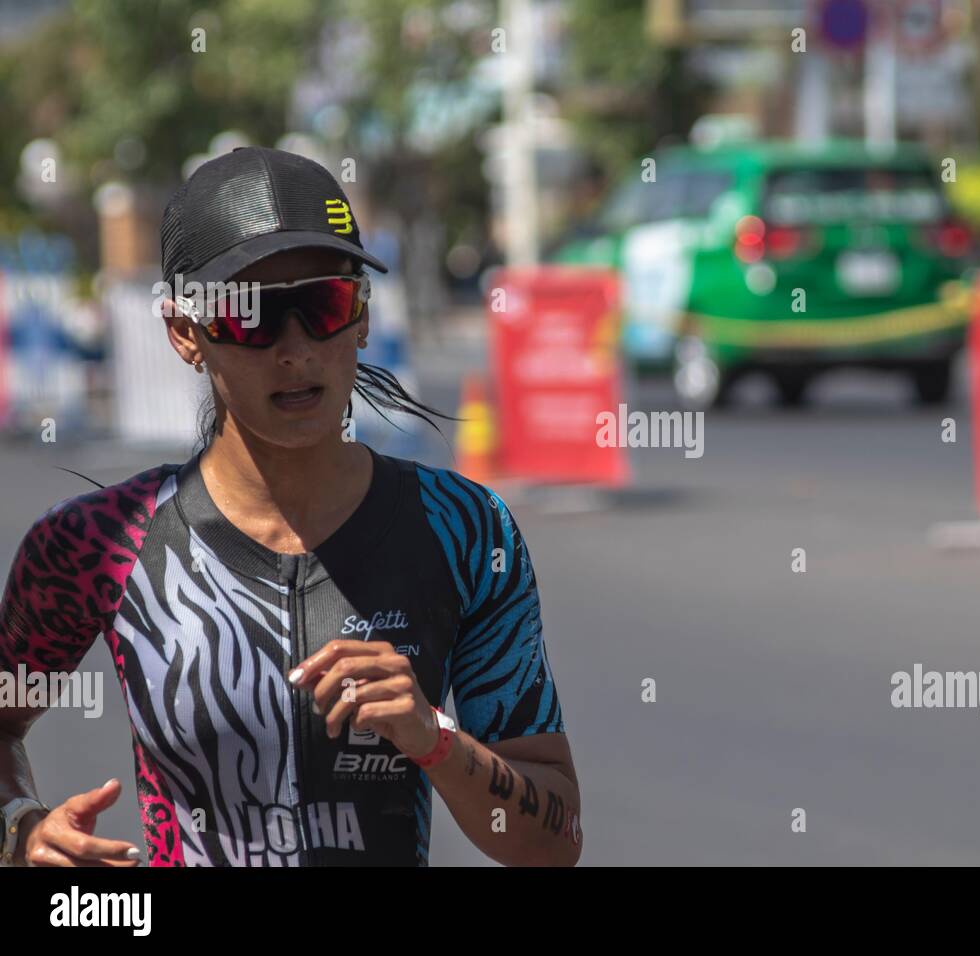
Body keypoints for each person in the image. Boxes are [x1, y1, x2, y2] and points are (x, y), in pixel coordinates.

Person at [0, 147, 580, 867]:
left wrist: (437, 741)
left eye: (325, 305)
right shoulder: (99, 544)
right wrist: (22, 828)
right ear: (185, 332)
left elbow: (551, 846)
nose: (296, 349)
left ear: (361, 315)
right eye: (253, 316)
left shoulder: (465, 529)